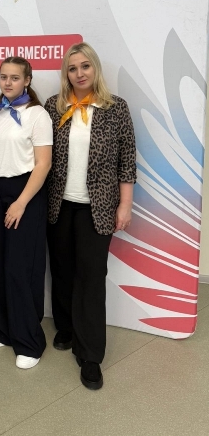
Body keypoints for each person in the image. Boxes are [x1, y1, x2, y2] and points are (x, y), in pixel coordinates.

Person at [44, 42, 136, 390]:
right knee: (62, 270)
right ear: (65, 73)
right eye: (72, 68)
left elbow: (127, 160)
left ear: (95, 68)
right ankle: (66, 327)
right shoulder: (54, 107)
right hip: (58, 204)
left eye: (85, 66)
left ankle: (91, 354)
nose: (79, 73)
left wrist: (124, 205)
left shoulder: (116, 108)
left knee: (92, 277)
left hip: (98, 207)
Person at [0, 57, 52, 370]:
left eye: (15, 78)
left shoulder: (37, 115)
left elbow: (43, 164)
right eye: (3, 77)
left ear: (27, 80)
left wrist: (20, 203)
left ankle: (30, 341)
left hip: (26, 192)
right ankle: (4, 329)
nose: (8, 83)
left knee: (21, 268)